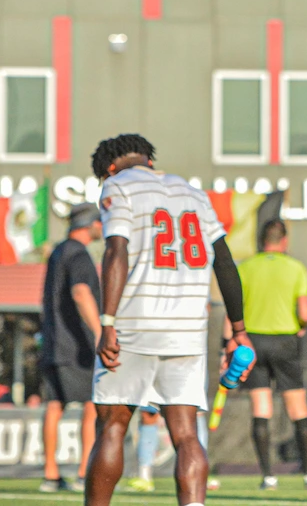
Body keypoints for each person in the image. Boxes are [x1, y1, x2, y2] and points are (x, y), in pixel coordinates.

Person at [85, 134, 254, 506]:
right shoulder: (193, 193)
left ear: (109, 168)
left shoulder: (117, 185)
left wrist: (108, 322)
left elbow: (116, 250)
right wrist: (238, 331)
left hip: (135, 324)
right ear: (147, 158)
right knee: (187, 435)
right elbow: (224, 261)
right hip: (188, 329)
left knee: (112, 427)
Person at [235, 218, 307, 491]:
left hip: (252, 342)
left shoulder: (245, 268)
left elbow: (233, 311)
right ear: (284, 240)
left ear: (261, 241)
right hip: (286, 342)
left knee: (261, 408)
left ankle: (267, 477)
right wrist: (301, 327)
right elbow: (305, 313)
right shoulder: (295, 268)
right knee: (298, 408)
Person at [38, 202, 102, 493]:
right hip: (78, 346)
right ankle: (83, 472)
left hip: (53, 343)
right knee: (92, 406)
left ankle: (50, 474)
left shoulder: (58, 252)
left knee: (54, 406)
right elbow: (80, 291)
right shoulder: (79, 254)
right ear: (90, 224)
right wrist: (100, 332)